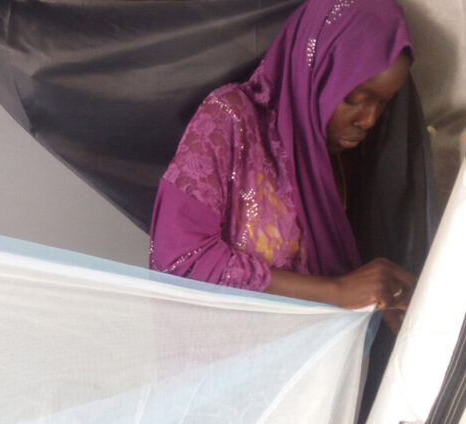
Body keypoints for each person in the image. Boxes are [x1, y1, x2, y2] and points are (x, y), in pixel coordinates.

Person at [149, 0, 417, 332]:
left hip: (309, 372)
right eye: (355, 98)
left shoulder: (344, 164)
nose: (369, 120)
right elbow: (180, 259)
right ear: (316, 71)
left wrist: (375, 303)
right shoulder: (232, 119)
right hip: (217, 369)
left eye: (384, 103)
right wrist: (336, 291)